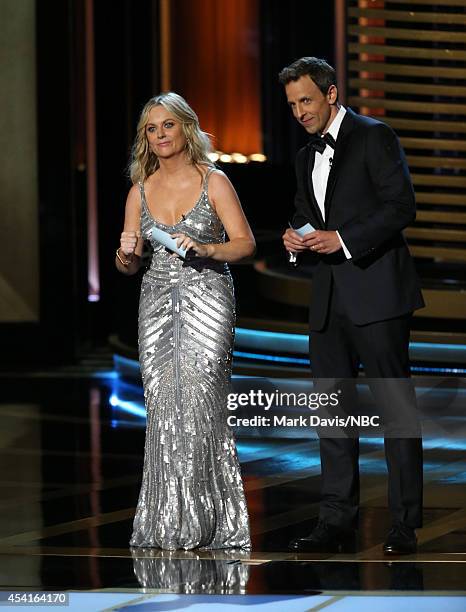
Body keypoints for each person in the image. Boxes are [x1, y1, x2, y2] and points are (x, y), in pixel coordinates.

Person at [280, 57, 424, 555]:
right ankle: (336, 522)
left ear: (331, 94)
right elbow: (306, 213)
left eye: (306, 100)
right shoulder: (304, 156)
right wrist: (295, 237)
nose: (300, 111)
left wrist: (342, 239)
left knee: (394, 412)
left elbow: (400, 205)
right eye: (293, 103)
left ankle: (404, 524)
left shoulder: (374, 136)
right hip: (328, 300)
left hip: (378, 293)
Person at [116, 92, 255, 550]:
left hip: (209, 297)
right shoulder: (139, 189)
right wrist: (125, 256)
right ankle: (167, 520)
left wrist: (208, 249)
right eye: (151, 129)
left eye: (167, 126)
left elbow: (245, 244)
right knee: (162, 404)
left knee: (200, 401)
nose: (159, 135)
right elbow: (131, 263)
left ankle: (210, 520)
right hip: (156, 300)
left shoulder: (214, 181)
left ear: (186, 128)